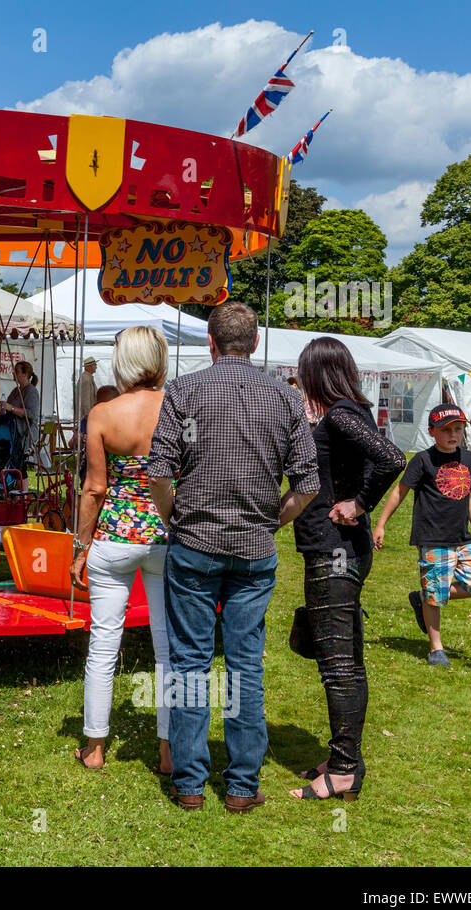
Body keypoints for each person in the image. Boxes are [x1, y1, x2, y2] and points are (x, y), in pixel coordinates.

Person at [147, 301, 319, 813]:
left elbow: (158, 472)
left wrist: (173, 518)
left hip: (195, 545)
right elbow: (307, 484)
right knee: (245, 665)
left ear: (211, 342)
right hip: (251, 549)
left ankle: (191, 783)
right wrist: (274, 520)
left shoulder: (184, 390)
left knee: (189, 663)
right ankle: (242, 786)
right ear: (256, 343)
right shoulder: (284, 399)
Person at [289, 337, 405, 802]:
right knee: (345, 660)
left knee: (338, 665)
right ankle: (346, 757)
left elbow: (393, 459)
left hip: (335, 551)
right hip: (339, 548)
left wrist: (359, 503)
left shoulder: (339, 414)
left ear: (317, 372)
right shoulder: (350, 410)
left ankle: (341, 771)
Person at [70, 327, 173, 774]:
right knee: (170, 648)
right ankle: (169, 752)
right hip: (167, 535)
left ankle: (94, 747)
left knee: (103, 643)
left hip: (114, 536)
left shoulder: (102, 414)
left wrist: (80, 546)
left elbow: (93, 488)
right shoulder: (179, 407)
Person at [373, 404, 471, 667]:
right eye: (446, 430)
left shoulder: (470, 460)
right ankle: (436, 649)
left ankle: (423, 597)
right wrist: (381, 524)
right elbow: (399, 492)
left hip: (463, 538)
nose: (453, 434)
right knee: (436, 594)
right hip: (433, 538)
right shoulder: (423, 460)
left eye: (458, 429)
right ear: (431, 432)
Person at [0, 361, 41, 462]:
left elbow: (32, 414)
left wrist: (12, 408)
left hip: (24, 434)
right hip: (12, 432)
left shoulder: (31, 391)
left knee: (18, 463)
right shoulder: (15, 391)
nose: (13, 373)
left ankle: (20, 477)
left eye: (16, 371)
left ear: (25, 374)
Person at [76, 357, 99, 424]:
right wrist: (88, 414)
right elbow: (85, 399)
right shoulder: (86, 379)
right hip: (85, 416)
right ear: (89, 367)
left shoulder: (88, 378)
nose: (96, 367)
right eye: (95, 365)